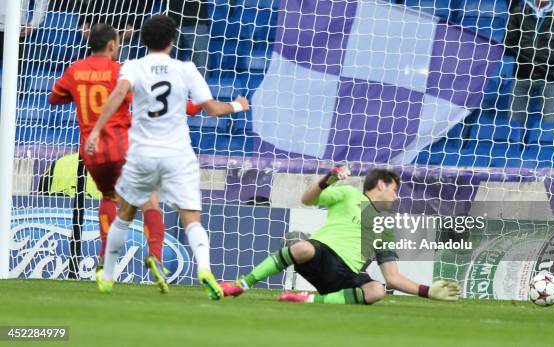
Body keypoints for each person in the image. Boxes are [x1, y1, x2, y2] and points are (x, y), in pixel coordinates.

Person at [84, 15, 249, 299]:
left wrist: (97, 129)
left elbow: (118, 94)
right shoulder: (186, 69)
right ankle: (205, 269)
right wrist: (237, 105)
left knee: (124, 213)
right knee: (191, 217)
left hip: (143, 153)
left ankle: (108, 276)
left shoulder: (133, 66)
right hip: (177, 153)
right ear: (173, 41)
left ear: (143, 40)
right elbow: (211, 109)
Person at [221, 167, 461, 305]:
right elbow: (308, 200)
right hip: (322, 254)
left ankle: (307, 300)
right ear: (380, 185)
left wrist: (427, 291)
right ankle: (243, 284)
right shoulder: (347, 194)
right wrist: (328, 180)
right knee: (302, 247)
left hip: (347, 275)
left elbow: (393, 277)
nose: (397, 197)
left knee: (377, 290)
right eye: (395, 190)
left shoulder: (386, 226)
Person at [49, 24, 169, 292]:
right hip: (121, 146)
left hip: (92, 153)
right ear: (113, 45)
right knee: (150, 200)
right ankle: (156, 258)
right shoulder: (119, 70)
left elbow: (54, 98)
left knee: (109, 198)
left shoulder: (74, 69)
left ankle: (105, 261)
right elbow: (137, 98)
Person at [504, 0, 554, 127]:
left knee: (549, 126)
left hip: (550, 79)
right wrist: (511, 46)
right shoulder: (518, 11)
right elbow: (507, 45)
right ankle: (515, 145)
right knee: (514, 125)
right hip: (521, 76)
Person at [77, 0, 154, 61]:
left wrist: (133, 24)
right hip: (98, 31)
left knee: (119, 68)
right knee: (95, 67)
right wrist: (84, 20)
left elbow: (141, 5)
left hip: (122, 32)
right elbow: (92, 4)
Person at [168, 0, 210, 78]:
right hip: (171, 22)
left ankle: (200, 88)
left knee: (201, 63)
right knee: (168, 61)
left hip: (197, 22)